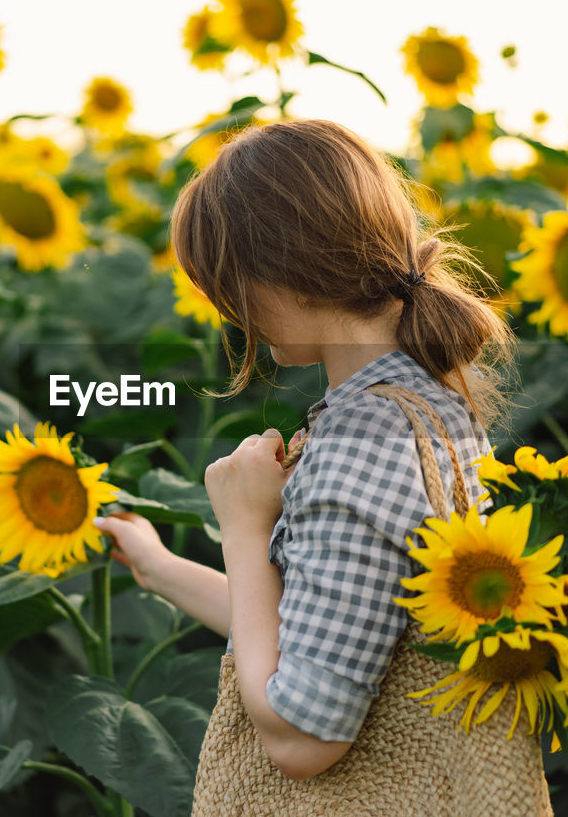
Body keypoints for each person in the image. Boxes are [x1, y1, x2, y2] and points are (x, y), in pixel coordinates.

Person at [93, 118, 513, 783]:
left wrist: (242, 524)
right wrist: (158, 566)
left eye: (231, 288)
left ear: (295, 274)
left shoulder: (359, 441)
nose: (232, 314)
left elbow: (300, 734)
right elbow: (314, 625)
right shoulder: (429, 400)